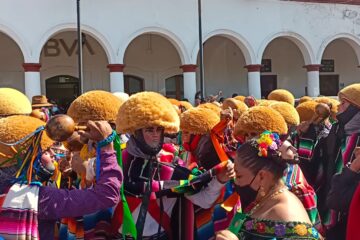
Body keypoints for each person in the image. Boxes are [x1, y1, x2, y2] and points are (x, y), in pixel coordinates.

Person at [112, 92, 234, 239]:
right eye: (149, 130)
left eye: (159, 129)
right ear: (136, 131)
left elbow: (203, 200)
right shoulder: (116, 161)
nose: (156, 135)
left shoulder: (172, 164)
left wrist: (219, 180)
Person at [0, 115, 122, 239]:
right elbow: (107, 196)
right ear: (26, 159)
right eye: (45, 151)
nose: (53, 154)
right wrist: (106, 145)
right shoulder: (38, 198)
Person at [216, 132, 321, 240]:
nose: (235, 182)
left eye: (239, 176)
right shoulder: (266, 199)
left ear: (261, 176)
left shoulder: (286, 213)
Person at [323, 83, 360, 239]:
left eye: (343, 102)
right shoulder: (338, 132)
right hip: (331, 204)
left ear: (355, 108)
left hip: (350, 215)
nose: (338, 107)